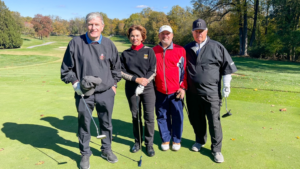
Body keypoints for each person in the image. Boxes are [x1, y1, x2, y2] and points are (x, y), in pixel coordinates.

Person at [61, 12, 121, 169]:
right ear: (86, 25)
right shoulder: (75, 43)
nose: (93, 27)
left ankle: (106, 149)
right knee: (84, 124)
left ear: (102, 26)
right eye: (90, 24)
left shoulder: (109, 44)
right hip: (83, 94)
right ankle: (85, 153)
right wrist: (75, 84)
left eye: (96, 24)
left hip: (106, 93)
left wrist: (113, 86)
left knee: (106, 123)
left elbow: (117, 69)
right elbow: (66, 69)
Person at [184, 19, 237, 163]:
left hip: (211, 93)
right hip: (192, 93)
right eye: (196, 31)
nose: (199, 34)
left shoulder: (217, 46)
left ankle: (216, 150)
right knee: (196, 119)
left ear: (206, 31)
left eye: (201, 31)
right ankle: (200, 141)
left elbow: (227, 68)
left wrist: (227, 85)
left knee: (214, 122)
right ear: (192, 32)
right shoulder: (187, 48)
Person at [120, 25, 156, 157]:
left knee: (149, 117)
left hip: (147, 89)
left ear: (142, 37)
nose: (135, 38)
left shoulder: (149, 51)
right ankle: (137, 142)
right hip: (131, 89)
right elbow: (121, 72)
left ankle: (149, 144)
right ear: (129, 37)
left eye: (137, 35)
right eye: (132, 36)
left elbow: (153, 70)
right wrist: (136, 80)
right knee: (136, 116)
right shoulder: (125, 53)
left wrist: (144, 81)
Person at [153, 25, 187, 151]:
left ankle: (177, 140)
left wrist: (183, 87)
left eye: (168, 34)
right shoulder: (153, 50)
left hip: (176, 91)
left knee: (177, 116)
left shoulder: (180, 50)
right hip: (160, 91)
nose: (165, 36)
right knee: (162, 116)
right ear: (159, 36)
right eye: (162, 33)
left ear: (172, 35)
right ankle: (165, 139)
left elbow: (184, 71)